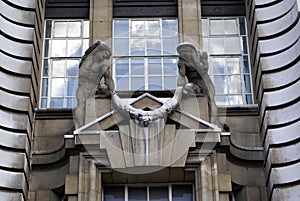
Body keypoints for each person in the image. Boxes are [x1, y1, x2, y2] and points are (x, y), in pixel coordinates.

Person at [74, 40, 115, 128]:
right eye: (105, 53)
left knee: (103, 91)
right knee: (81, 104)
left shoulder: (103, 64)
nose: (105, 56)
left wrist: (112, 92)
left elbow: (108, 78)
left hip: (95, 87)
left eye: (107, 55)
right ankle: (80, 128)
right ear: (98, 51)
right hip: (83, 86)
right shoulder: (86, 59)